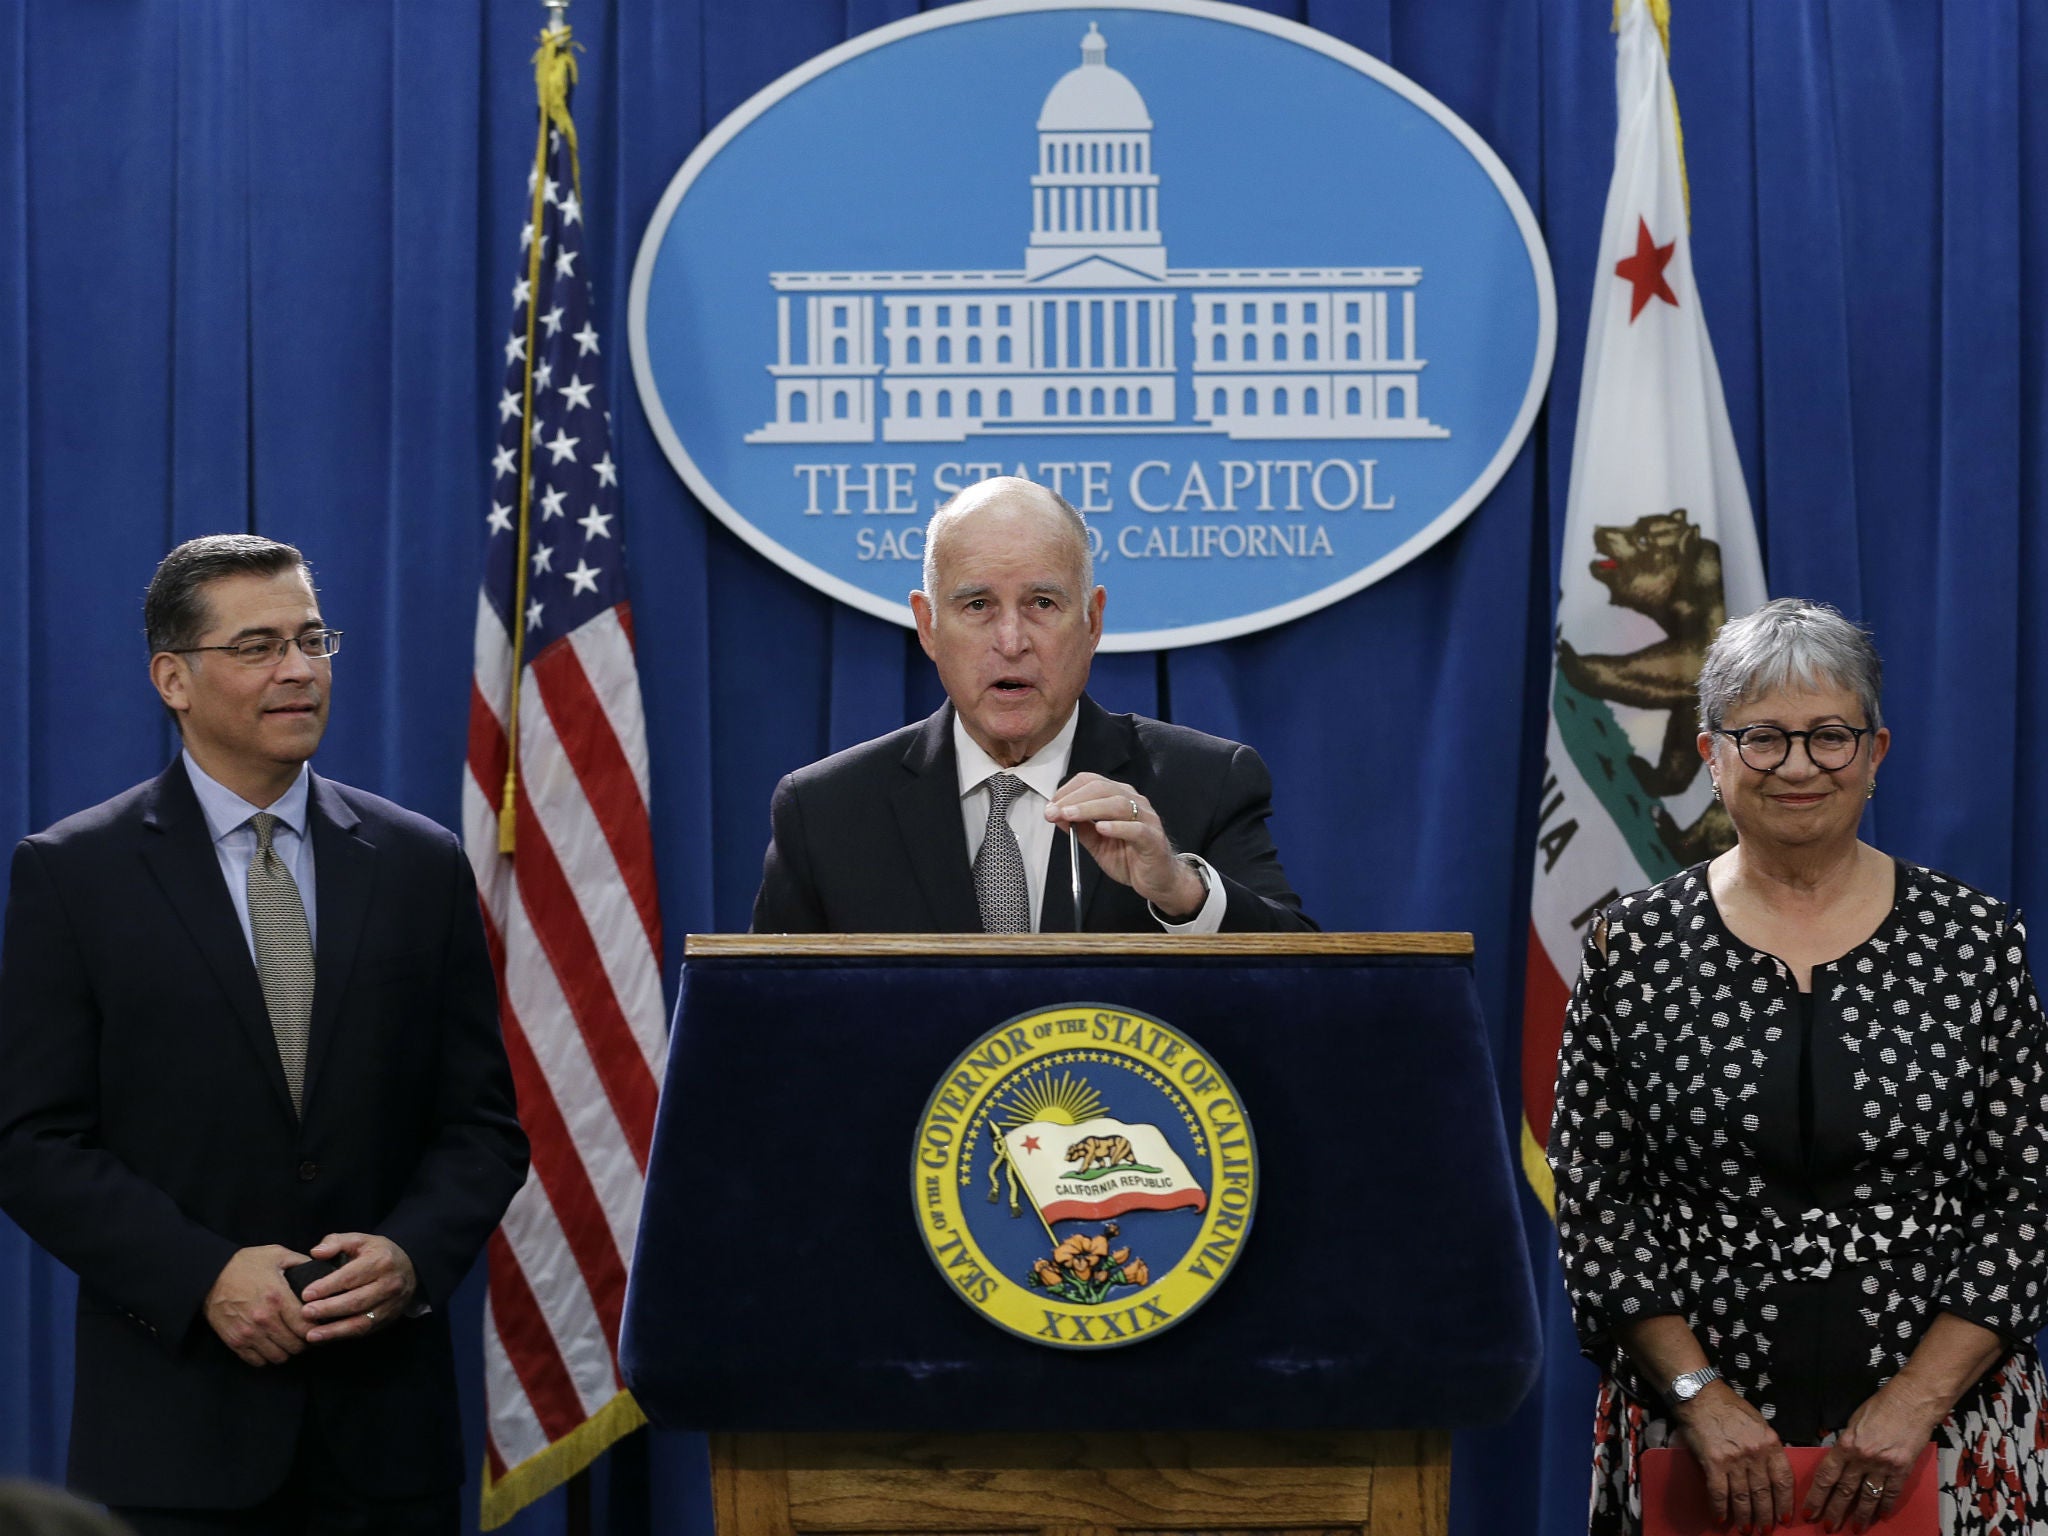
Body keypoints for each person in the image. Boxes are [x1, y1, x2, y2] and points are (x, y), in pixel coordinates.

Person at [0, 536, 528, 1534]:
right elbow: (30, 1142)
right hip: (175, 1438)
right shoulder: (74, 875)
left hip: (385, 1442)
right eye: (256, 646)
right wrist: (201, 1276)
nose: (297, 669)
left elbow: (481, 1126)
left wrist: (411, 1254)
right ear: (174, 679)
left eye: (311, 639)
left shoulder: (419, 865)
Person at [1549, 598, 2048, 1536]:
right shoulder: (1633, 945)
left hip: (1949, 1435)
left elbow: (2029, 1197)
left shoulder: (1976, 942)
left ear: (1876, 751)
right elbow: (1593, 1197)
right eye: (1763, 739)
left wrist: (1912, 1405)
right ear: (1710, 756)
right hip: (1693, 1442)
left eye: (1829, 737)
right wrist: (1698, 1396)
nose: (1799, 768)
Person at [751, 476, 1313, 934]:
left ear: (1092, 620)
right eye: (977, 605)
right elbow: (765, 1031)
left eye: (1042, 602)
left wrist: (1180, 891)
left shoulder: (1205, 782)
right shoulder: (825, 811)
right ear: (928, 626)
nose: (1012, 640)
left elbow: (1306, 987)